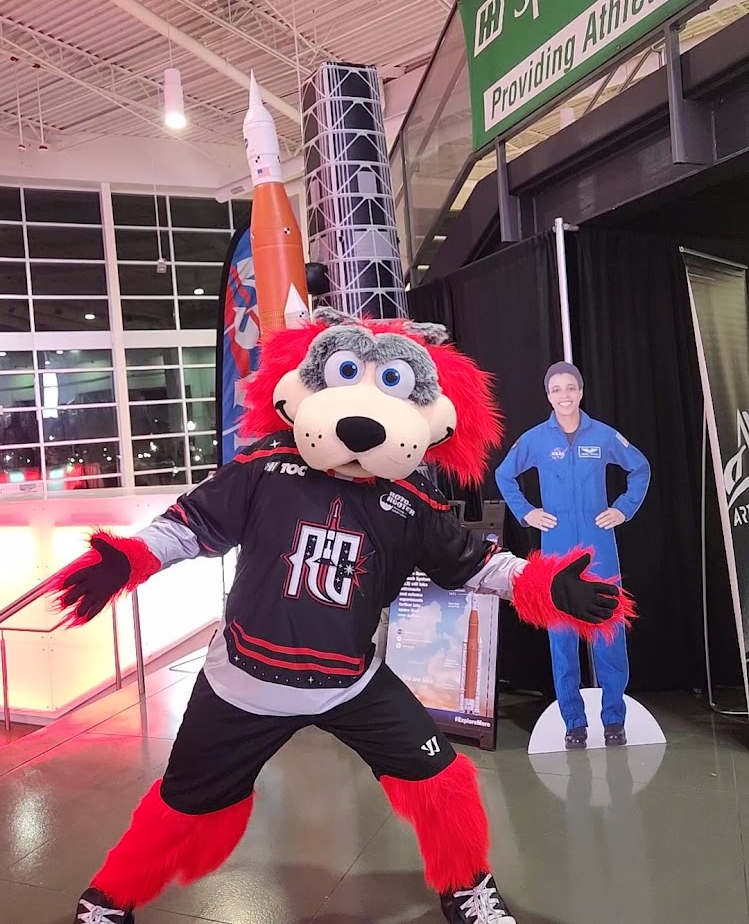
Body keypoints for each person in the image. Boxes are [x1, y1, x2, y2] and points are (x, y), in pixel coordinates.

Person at [33, 317, 632, 924]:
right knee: (182, 805)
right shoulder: (267, 466)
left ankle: (464, 888)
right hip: (244, 681)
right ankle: (109, 899)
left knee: (441, 780)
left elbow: (475, 564)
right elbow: (189, 526)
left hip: (349, 681)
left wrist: (546, 584)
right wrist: (132, 557)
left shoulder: (413, 499)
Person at [495, 361, 650, 749]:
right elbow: (504, 475)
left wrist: (623, 508)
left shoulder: (604, 435)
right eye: (556, 389)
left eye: (570, 388)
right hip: (557, 551)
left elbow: (640, 468)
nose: (564, 395)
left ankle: (614, 719)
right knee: (562, 638)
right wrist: (527, 512)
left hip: (600, 549)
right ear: (548, 395)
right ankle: (574, 722)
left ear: (580, 391)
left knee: (608, 631)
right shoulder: (535, 440)